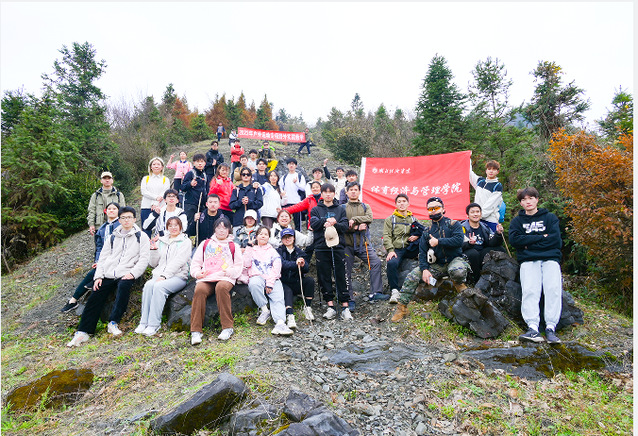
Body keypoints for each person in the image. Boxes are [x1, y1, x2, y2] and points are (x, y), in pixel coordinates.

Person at [66, 207, 150, 347]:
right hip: (109, 273)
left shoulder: (141, 236)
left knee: (123, 287)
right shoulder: (112, 237)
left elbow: (144, 259)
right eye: (123, 218)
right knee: (96, 292)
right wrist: (98, 276)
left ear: (134, 219)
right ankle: (83, 331)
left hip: (127, 271)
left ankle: (113, 322)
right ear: (119, 220)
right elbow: (103, 258)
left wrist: (133, 273)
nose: (126, 220)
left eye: (129, 217)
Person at [391, 197, 469, 323]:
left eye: (436, 208)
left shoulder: (454, 224)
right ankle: (402, 308)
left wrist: (439, 241)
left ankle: (461, 289)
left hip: (454, 260)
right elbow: (422, 252)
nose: (433, 211)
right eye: (430, 209)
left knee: (458, 272)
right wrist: (425, 269)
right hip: (437, 264)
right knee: (412, 276)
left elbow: (459, 241)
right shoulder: (427, 231)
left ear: (443, 209)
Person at [509, 187, 563, 344]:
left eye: (531, 198)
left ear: (537, 200)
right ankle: (533, 327)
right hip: (528, 260)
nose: (528, 202)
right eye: (524, 199)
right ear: (521, 203)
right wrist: (541, 237)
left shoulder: (550, 218)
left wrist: (528, 243)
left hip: (550, 259)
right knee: (530, 291)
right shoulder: (517, 221)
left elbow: (555, 240)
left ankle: (551, 327)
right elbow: (515, 241)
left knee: (553, 290)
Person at [190, 216, 242, 344]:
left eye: (225, 228)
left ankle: (227, 327)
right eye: (218, 228)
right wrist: (197, 273)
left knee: (221, 287)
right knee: (199, 290)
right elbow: (196, 262)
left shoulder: (233, 246)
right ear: (214, 229)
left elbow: (238, 266)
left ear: (229, 230)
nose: (221, 231)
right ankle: (196, 331)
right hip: (207, 277)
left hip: (225, 277)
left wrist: (229, 272)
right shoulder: (205, 243)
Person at [135, 217, 191, 336]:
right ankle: (144, 322)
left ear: (181, 227)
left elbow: (179, 261)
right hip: (160, 275)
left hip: (178, 276)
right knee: (148, 285)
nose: (173, 228)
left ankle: (154, 324)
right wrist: (153, 250)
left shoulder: (185, 241)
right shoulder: (161, 241)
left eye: (176, 225)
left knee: (159, 287)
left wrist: (165, 276)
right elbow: (153, 263)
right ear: (167, 227)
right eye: (170, 225)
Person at [61, 202, 121, 313]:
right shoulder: (102, 228)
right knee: (94, 271)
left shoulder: (121, 226)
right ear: (105, 211)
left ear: (119, 211)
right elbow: (99, 247)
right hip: (104, 258)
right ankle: (73, 301)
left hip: (118, 258)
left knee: (92, 274)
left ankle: (73, 300)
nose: (112, 210)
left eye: (114, 208)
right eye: (109, 209)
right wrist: (97, 261)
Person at [309, 184, 351, 320]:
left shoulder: (340, 209)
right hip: (321, 247)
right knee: (324, 276)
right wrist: (325, 221)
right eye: (325, 192)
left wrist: (335, 223)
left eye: (330, 192)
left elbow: (345, 226)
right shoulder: (316, 209)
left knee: (341, 275)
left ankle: (345, 306)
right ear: (321, 194)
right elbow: (313, 224)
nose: (328, 194)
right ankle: (330, 306)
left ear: (334, 194)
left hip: (338, 246)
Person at [244, 226, 293, 336]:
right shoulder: (251, 250)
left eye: (266, 234)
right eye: (260, 234)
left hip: (272, 278)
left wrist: (270, 283)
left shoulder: (273, 251)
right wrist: (248, 247)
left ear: (268, 237)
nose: (263, 236)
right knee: (254, 284)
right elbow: (245, 264)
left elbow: (276, 268)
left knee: (278, 297)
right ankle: (265, 310)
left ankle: (280, 323)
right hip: (257, 277)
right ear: (256, 236)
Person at [344, 182, 383, 307]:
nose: (353, 192)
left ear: (359, 192)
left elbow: (369, 218)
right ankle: (349, 298)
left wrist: (354, 220)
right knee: (346, 270)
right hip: (347, 244)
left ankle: (376, 292)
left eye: (355, 189)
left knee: (375, 262)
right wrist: (356, 227)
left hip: (363, 244)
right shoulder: (342, 208)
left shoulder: (365, 206)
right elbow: (342, 225)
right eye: (351, 189)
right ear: (347, 192)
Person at [385, 194, 422, 304]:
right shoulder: (390, 219)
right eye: (399, 202)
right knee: (392, 263)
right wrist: (390, 250)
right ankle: (394, 291)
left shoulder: (413, 219)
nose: (402, 203)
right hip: (397, 249)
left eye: (404, 201)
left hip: (411, 248)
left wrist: (417, 236)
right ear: (396, 204)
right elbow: (386, 236)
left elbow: (422, 231)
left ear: (408, 203)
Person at [277, 228, 316, 327]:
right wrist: (295, 263)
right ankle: (290, 315)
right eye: (285, 237)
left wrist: (302, 264)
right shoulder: (278, 251)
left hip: (297, 281)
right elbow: (282, 264)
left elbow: (306, 269)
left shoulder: (300, 252)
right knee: (287, 291)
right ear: (281, 239)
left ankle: (307, 307)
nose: (287, 239)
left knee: (310, 281)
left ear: (294, 238)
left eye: (289, 237)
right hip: (284, 281)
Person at [461, 203, 506, 284]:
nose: (475, 214)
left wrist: (498, 234)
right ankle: (476, 281)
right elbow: (458, 245)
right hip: (468, 253)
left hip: (481, 252)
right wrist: (469, 243)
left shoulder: (484, 227)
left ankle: (498, 277)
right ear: (467, 215)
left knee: (500, 249)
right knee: (473, 254)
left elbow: (492, 243)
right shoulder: (462, 227)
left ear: (481, 214)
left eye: (477, 212)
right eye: (472, 212)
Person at [87, 171, 126, 238]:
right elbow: (91, 211)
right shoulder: (95, 195)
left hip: (116, 226)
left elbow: (123, 211)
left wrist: (123, 224)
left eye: (109, 178)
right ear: (101, 181)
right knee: (100, 244)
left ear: (112, 180)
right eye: (105, 178)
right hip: (99, 227)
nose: (107, 180)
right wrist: (91, 224)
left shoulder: (119, 195)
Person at [140, 157, 171, 238]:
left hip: (161, 207)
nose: (156, 166)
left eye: (158, 164)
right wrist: (156, 198)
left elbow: (164, 192)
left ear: (162, 167)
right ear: (150, 167)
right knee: (146, 229)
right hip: (146, 206)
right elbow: (144, 192)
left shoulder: (165, 179)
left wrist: (156, 204)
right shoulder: (145, 179)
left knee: (161, 228)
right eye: (154, 164)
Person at [470, 160, 503, 232]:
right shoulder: (480, 182)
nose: (491, 171)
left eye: (494, 169)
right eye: (489, 169)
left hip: (490, 220)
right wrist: (468, 158)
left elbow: (491, 205)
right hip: (477, 219)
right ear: (486, 171)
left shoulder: (497, 186)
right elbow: (470, 174)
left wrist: (478, 215)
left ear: (497, 172)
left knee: (491, 239)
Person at [228, 168, 264, 232]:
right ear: (241, 176)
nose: (246, 176)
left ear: (251, 176)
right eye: (243, 174)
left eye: (248, 174)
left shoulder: (256, 189)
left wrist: (249, 202)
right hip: (239, 221)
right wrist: (240, 202)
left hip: (253, 221)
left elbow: (260, 203)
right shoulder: (236, 190)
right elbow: (231, 205)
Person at [181, 153, 208, 228]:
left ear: (205, 163)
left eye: (202, 161)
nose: (200, 163)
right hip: (190, 203)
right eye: (197, 161)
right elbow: (182, 187)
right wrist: (190, 184)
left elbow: (206, 190)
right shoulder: (190, 174)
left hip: (201, 204)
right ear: (194, 163)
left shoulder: (205, 175)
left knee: (201, 224)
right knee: (189, 224)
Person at [279, 158, 306, 231]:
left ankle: (298, 236)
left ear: (296, 166)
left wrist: (296, 183)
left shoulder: (300, 176)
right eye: (289, 164)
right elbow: (279, 186)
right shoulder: (284, 177)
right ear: (287, 165)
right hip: (286, 202)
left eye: (293, 164)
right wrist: (282, 193)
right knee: (284, 222)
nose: (291, 165)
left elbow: (303, 188)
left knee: (298, 223)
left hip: (297, 202)